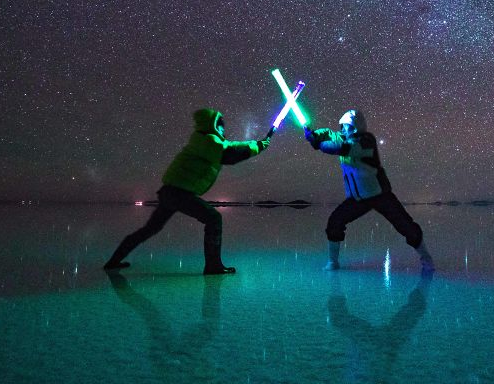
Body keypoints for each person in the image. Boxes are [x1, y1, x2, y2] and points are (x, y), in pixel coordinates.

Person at [104, 108, 269, 274]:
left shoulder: (207, 140)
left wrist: (257, 145)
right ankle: (213, 266)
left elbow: (231, 146)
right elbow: (228, 155)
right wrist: (255, 148)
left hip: (170, 192)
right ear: (212, 125)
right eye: (220, 125)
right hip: (178, 193)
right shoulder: (206, 140)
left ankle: (113, 261)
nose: (222, 128)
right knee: (213, 218)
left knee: (150, 229)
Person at [304, 110, 434, 272]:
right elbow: (330, 134)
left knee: (406, 226)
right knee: (335, 223)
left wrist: (318, 143)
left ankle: (426, 258)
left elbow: (341, 148)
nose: (343, 130)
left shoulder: (366, 141)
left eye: (347, 127)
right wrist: (316, 135)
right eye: (342, 127)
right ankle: (333, 262)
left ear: (356, 127)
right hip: (358, 199)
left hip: (380, 195)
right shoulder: (344, 137)